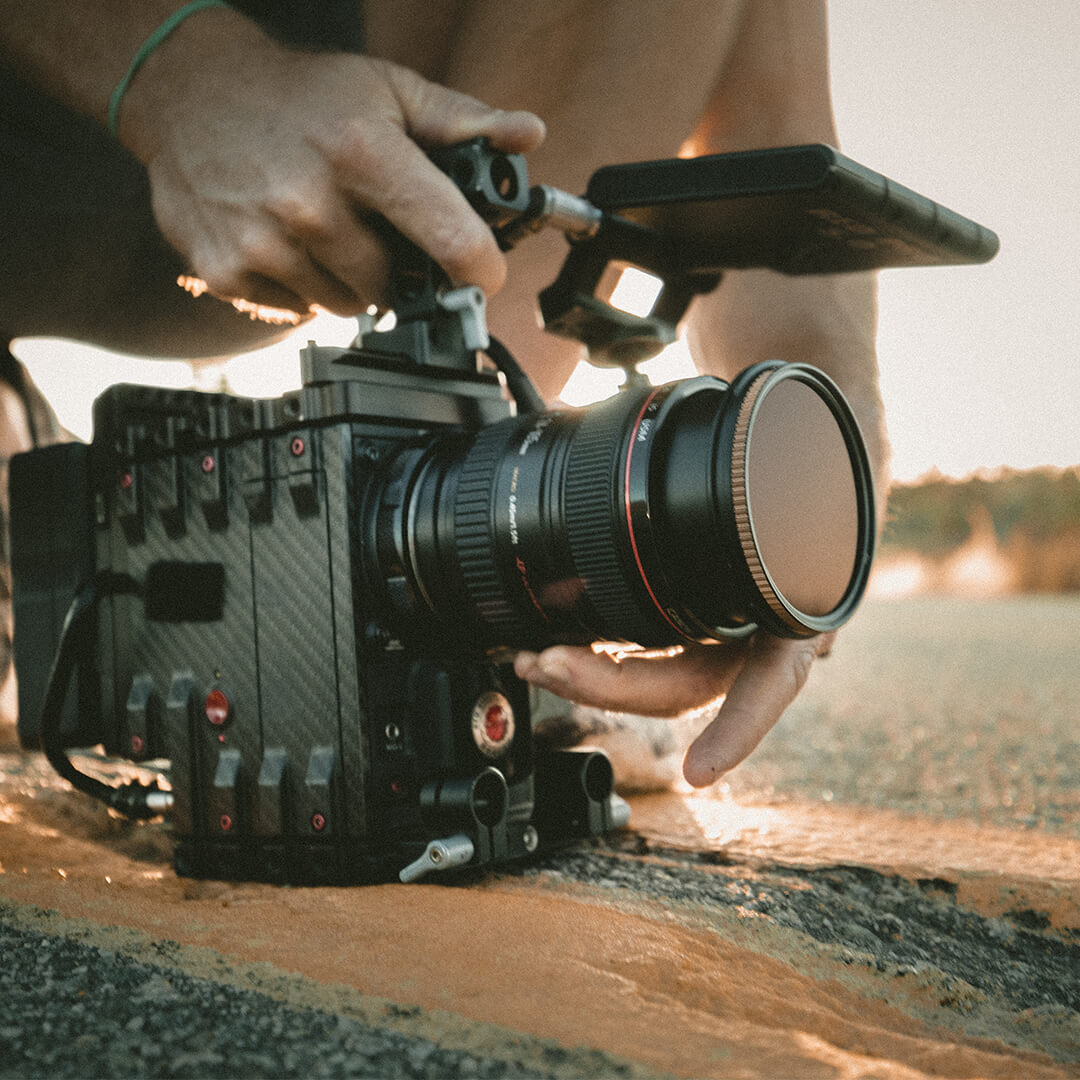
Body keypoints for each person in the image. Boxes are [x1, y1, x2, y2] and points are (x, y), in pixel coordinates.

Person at [0, 0, 885, 788]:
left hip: (323, 179)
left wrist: (804, 498)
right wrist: (178, 71)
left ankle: (472, 623)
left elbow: (774, 149)